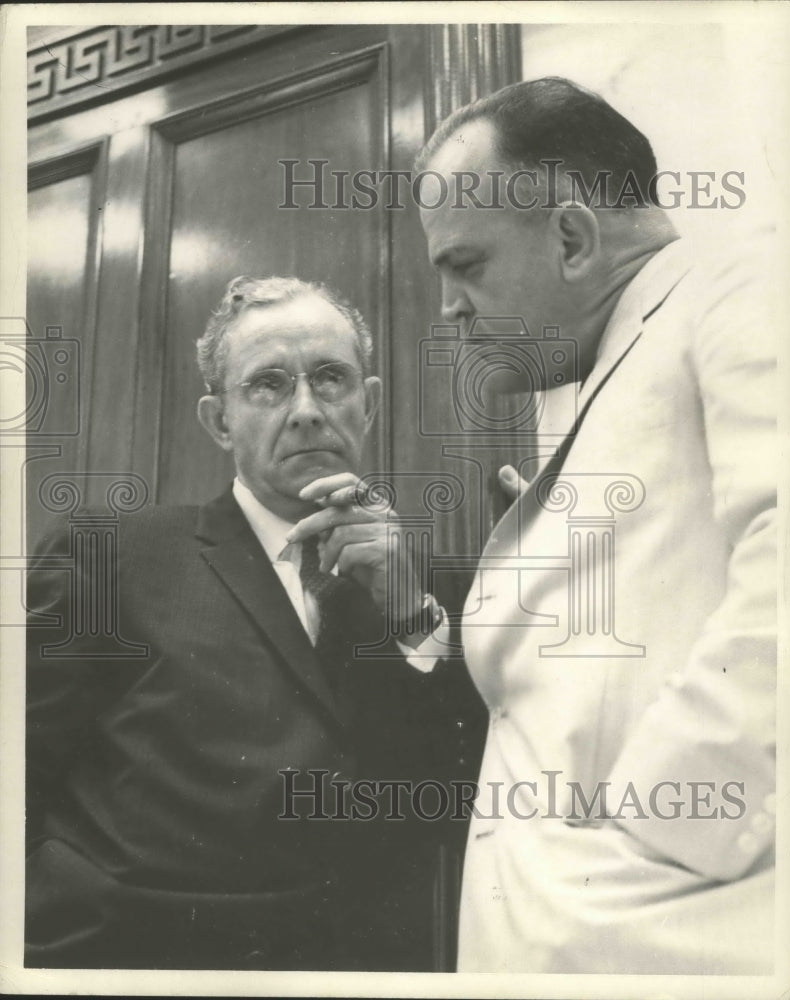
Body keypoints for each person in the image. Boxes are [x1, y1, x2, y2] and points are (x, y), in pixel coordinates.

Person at [415, 77, 777, 973]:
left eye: (464, 266)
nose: (448, 308)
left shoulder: (736, 289)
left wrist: (658, 826)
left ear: (571, 237)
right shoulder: (606, 359)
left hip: (653, 938)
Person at [25, 275, 482, 971]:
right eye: (268, 385)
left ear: (370, 403)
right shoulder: (110, 555)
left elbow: (461, 799)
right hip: (136, 961)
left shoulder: (430, 589)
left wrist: (410, 613)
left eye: (331, 378)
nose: (305, 410)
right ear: (218, 421)